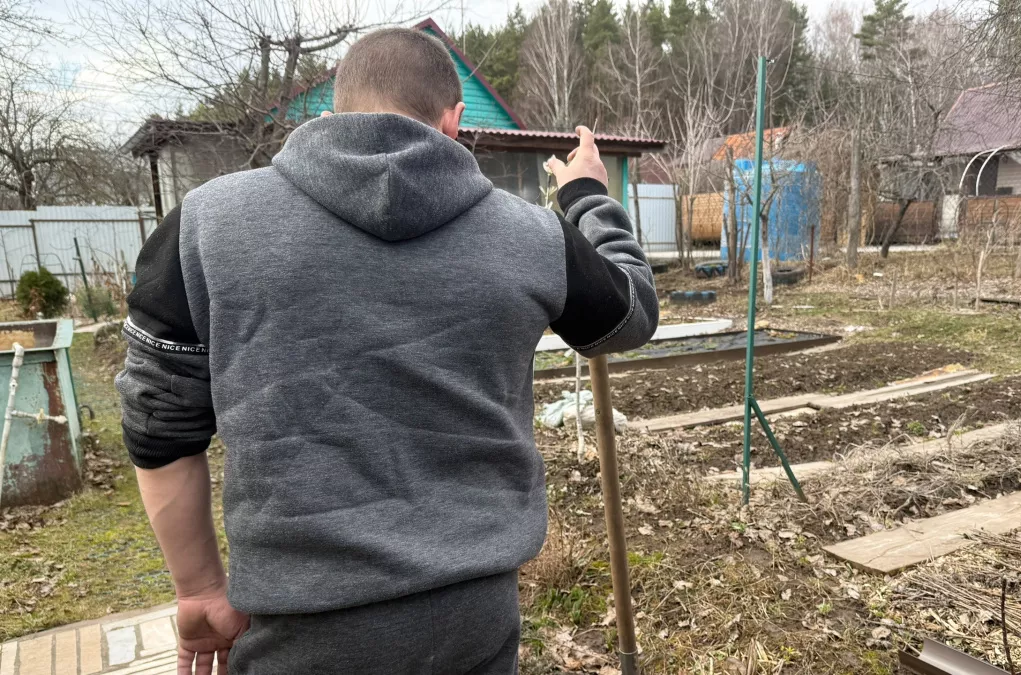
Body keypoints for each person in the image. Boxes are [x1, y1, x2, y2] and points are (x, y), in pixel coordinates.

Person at [116, 26, 657, 675]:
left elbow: (158, 423)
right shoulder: (533, 237)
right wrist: (586, 194)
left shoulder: (205, 226)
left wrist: (201, 589)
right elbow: (630, 315)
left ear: (335, 109)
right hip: (471, 622)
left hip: (298, 633)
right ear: (454, 122)